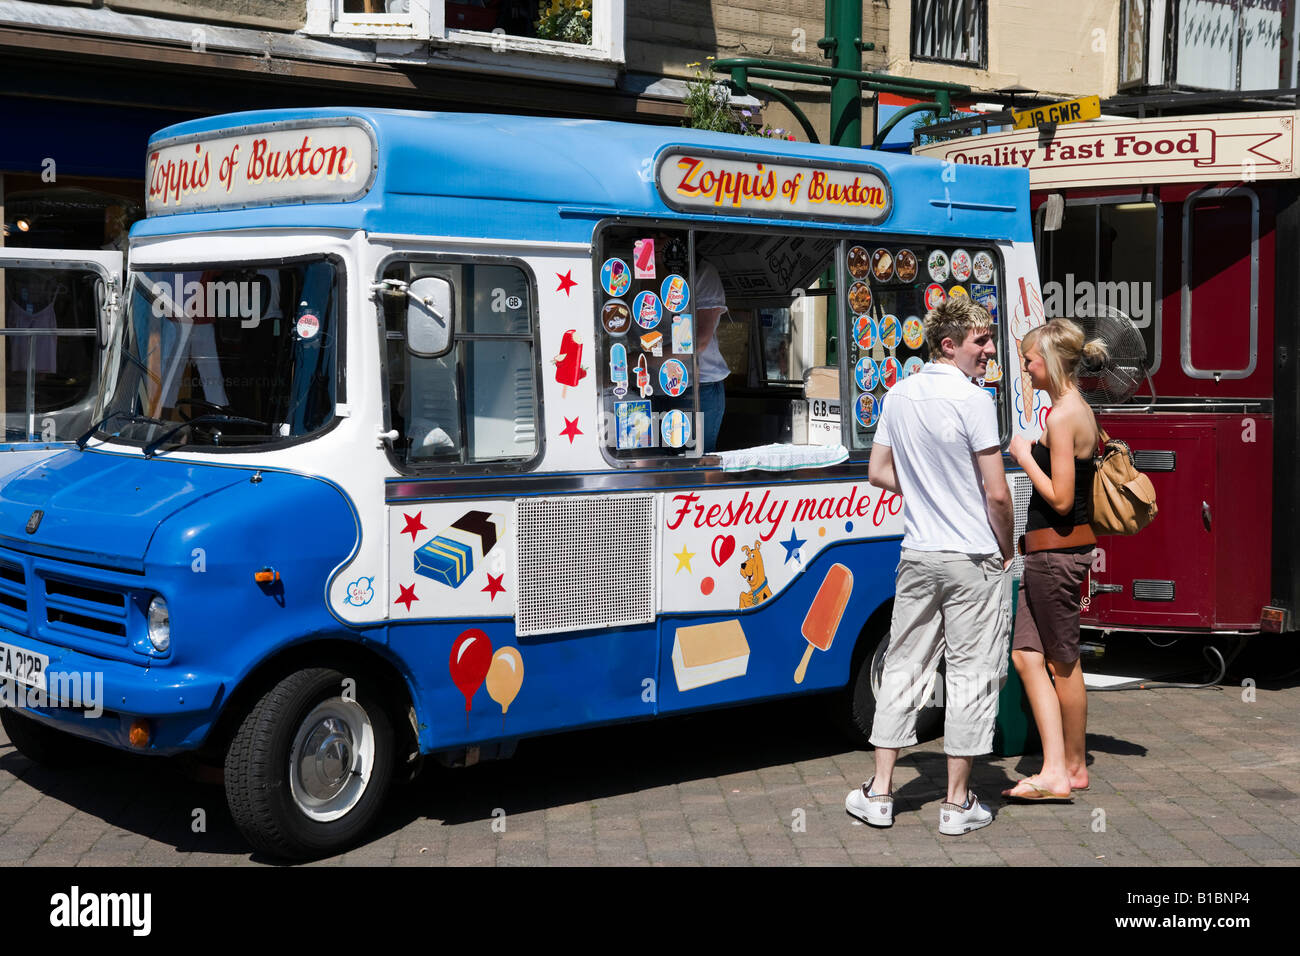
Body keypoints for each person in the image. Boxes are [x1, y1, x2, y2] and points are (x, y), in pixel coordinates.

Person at [845, 296, 1014, 835]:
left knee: (903, 667)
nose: (989, 351)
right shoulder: (973, 400)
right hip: (972, 557)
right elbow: (997, 494)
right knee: (970, 674)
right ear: (949, 345)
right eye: (980, 342)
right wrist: (1007, 549)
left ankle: (878, 792)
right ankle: (957, 803)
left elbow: (877, 472)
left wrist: (923, 490)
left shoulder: (897, 394)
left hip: (918, 554)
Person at [1002, 319, 1107, 800]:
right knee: (1028, 656)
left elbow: (1062, 500)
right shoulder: (1076, 409)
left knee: (1062, 663)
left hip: (1053, 555)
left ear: (1051, 361)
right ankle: (1066, 765)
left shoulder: (1062, 417)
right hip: (1053, 554)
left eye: (1029, 359)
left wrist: (1025, 455)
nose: (1025, 367)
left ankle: (1061, 771)